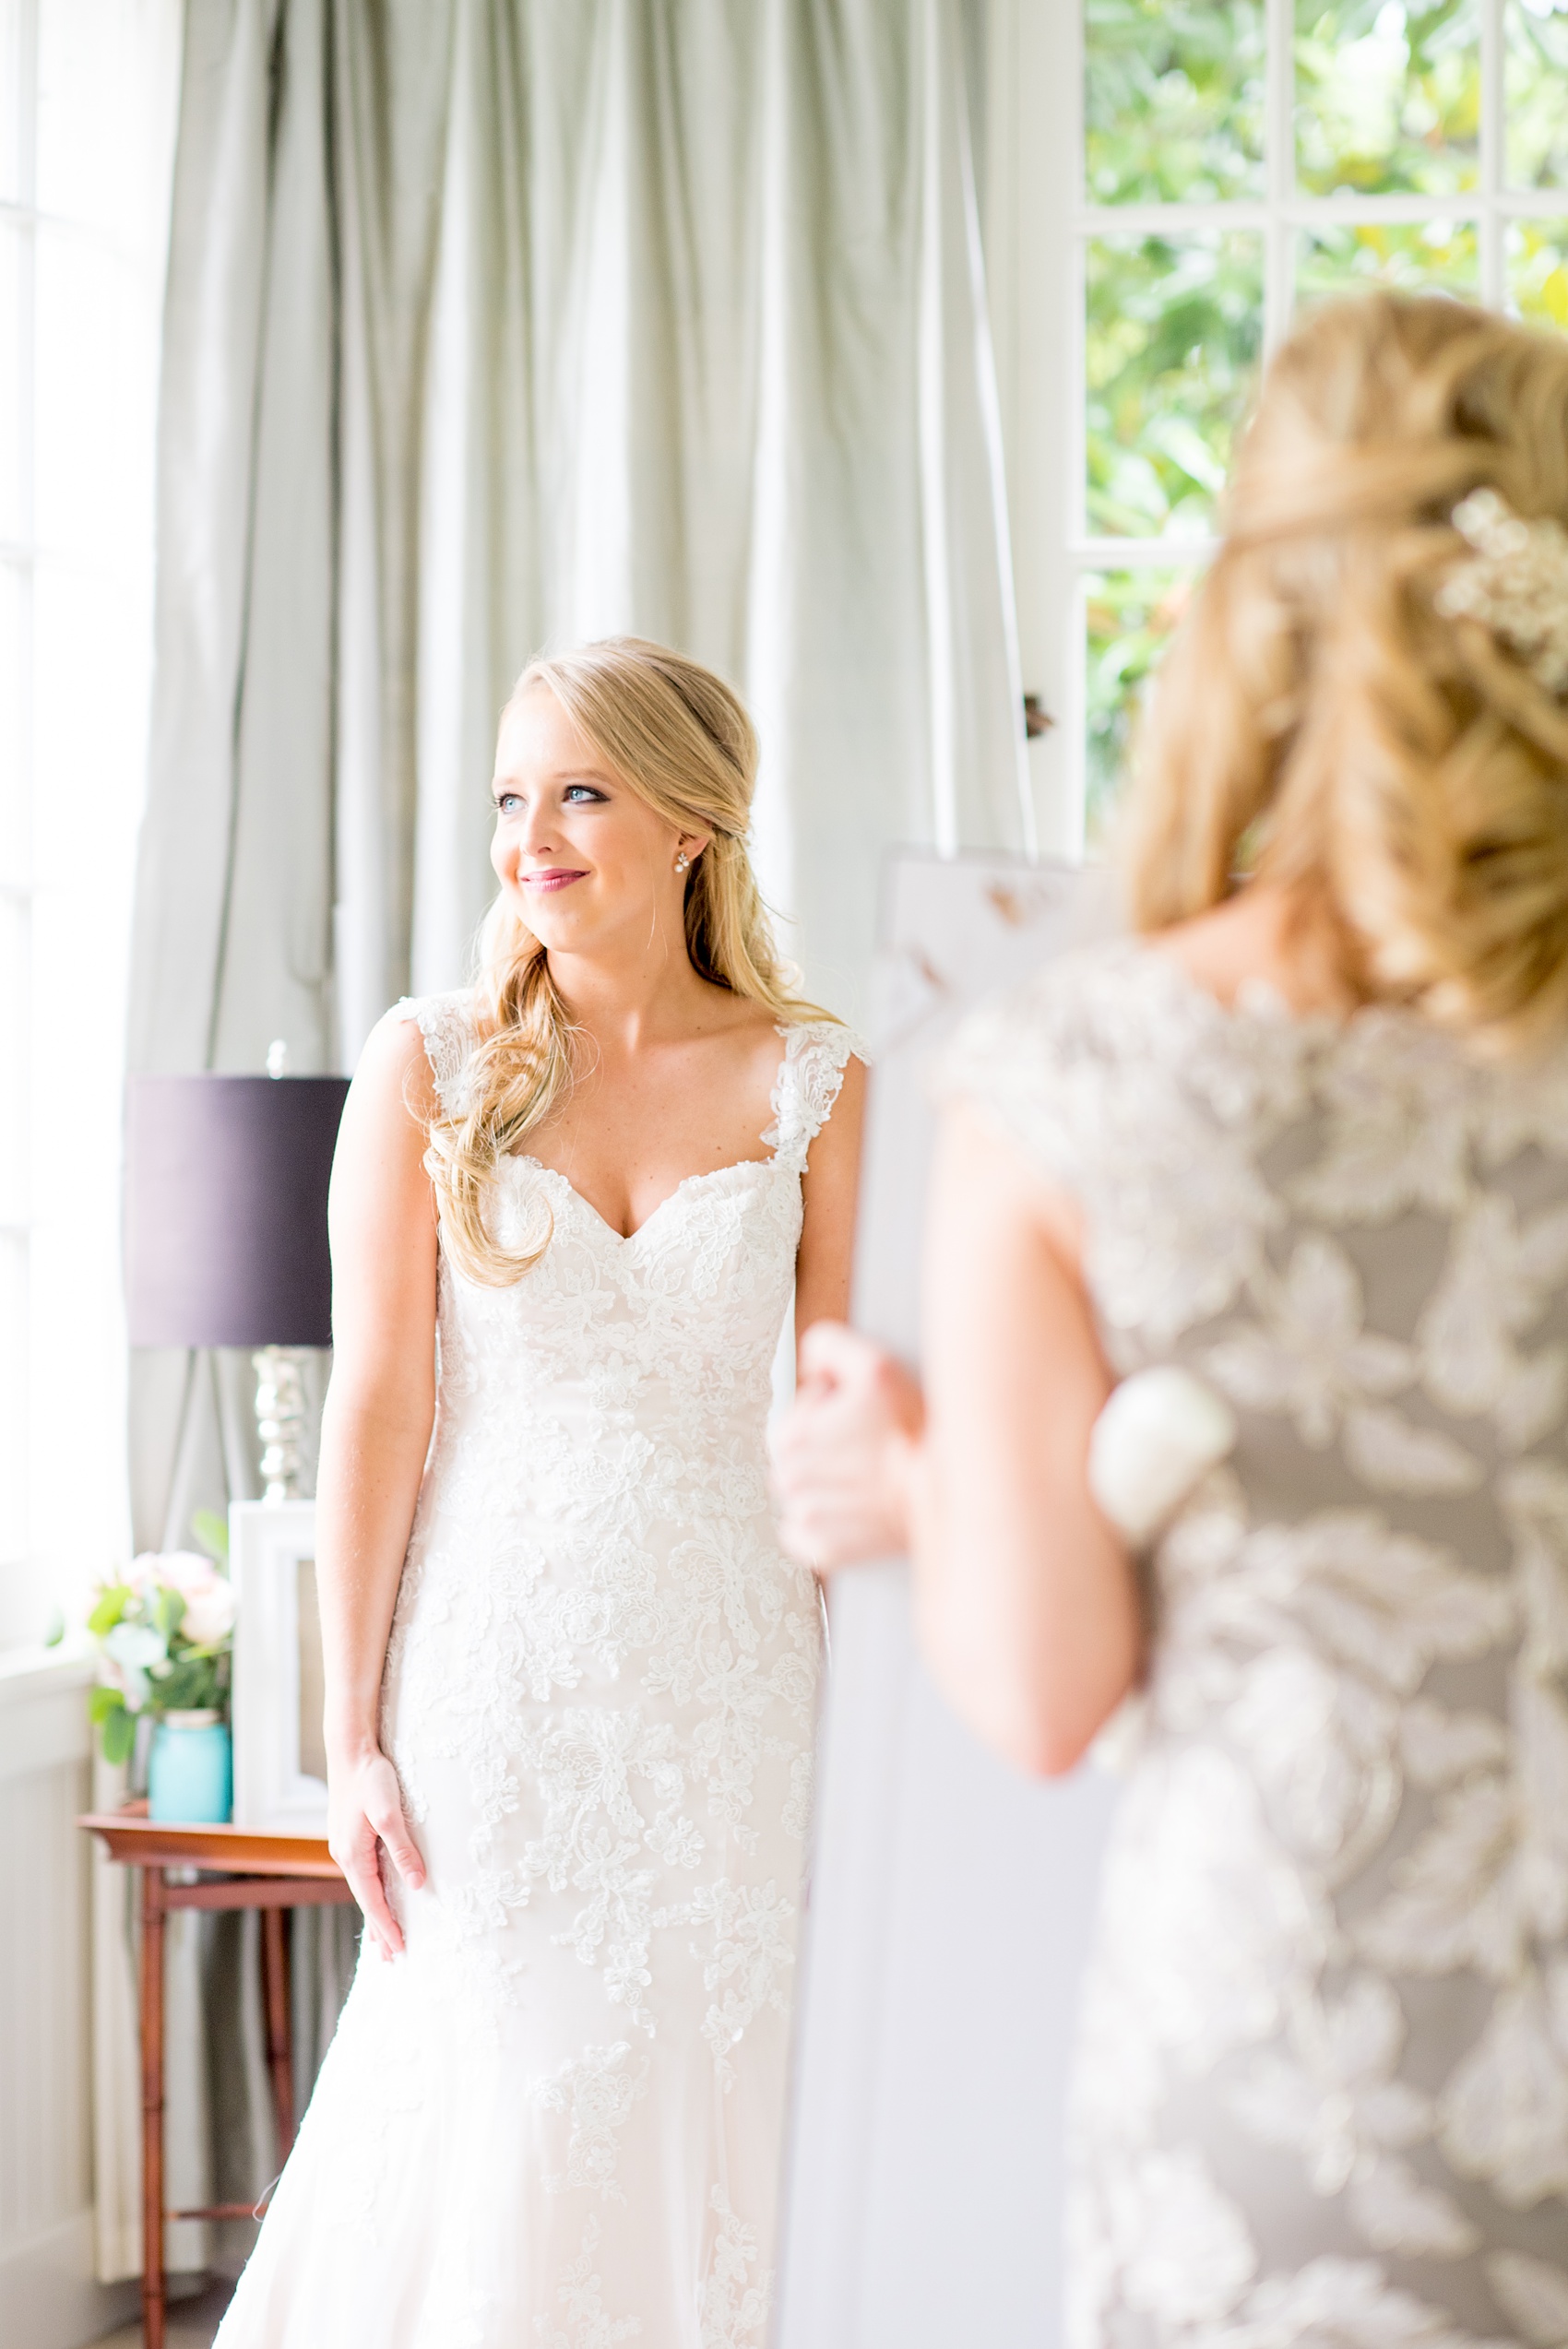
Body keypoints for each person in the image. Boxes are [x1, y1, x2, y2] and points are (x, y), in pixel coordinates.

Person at [771, 295, 1568, 2346]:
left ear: (1249, 611)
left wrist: (931, 1477)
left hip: (1292, 2099)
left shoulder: (1072, 1079)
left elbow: (1044, 1686)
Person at [216, 637, 865, 2347]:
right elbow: (377, 1406)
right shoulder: (429, 1063)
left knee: (738, 2107)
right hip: (496, 1698)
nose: (533, 836)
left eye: (581, 791)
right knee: (511, 2109)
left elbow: (844, 1420)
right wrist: (349, 1734)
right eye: (514, 795)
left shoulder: (820, 1083)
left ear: (692, 827)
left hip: (745, 1693)